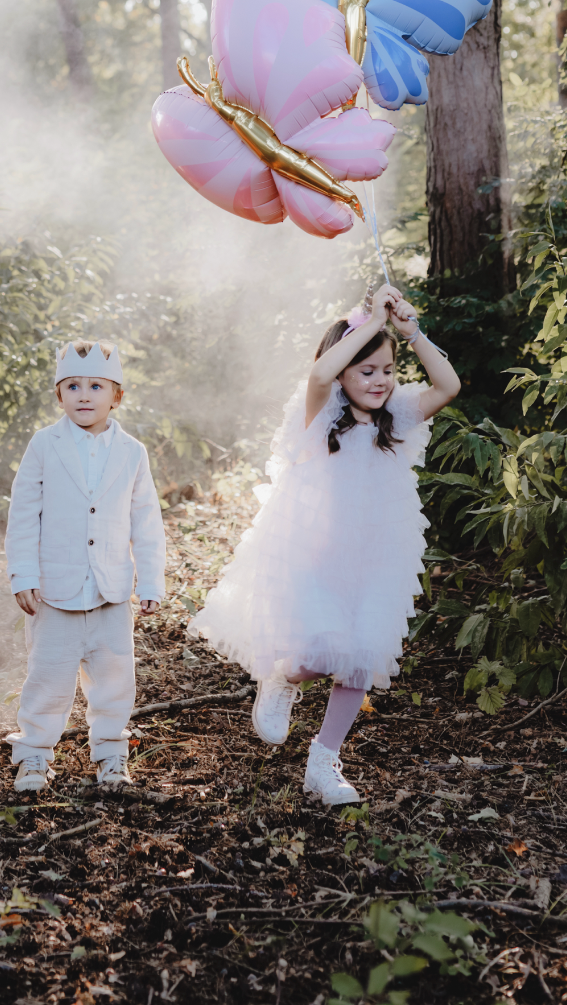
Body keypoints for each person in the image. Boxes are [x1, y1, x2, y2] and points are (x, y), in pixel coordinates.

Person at [189, 284, 459, 804]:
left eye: (387, 369)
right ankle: (283, 679)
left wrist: (412, 333)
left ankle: (324, 761)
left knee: (361, 655)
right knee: (321, 650)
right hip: (317, 555)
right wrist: (366, 320)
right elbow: (317, 373)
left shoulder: (399, 416)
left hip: (380, 556)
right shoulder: (320, 415)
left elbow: (448, 386)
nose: (380, 381)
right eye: (366, 370)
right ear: (342, 373)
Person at [3, 341, 166, 794]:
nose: (84, 394)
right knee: (48, 678)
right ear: (59, 395)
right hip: (55, 590)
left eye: (96, 385)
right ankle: (34, 755)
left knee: (114, 680)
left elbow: (145, 519)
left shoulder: (132, 452)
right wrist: (24, 575)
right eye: (72, 386)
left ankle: (112, 755)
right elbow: (23, 513)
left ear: (116, 395)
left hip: (111, 590)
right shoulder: (44, 444)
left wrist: (150, 579)